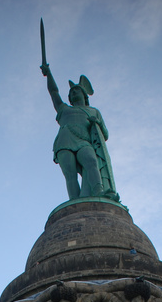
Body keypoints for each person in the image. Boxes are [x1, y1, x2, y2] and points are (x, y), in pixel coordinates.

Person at [40, 64, 118, 201]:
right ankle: (75, 201)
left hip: (84, 141)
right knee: (70, 175)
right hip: (64, 140)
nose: (74, 93)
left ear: (84, 95)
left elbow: (105, 134)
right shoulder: (64, 109)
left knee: (91, 161)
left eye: (77, 91)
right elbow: (54, 92)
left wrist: (97, 123)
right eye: (71, 92)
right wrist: (49, 74)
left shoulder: (94, 111)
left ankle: (98, 191)